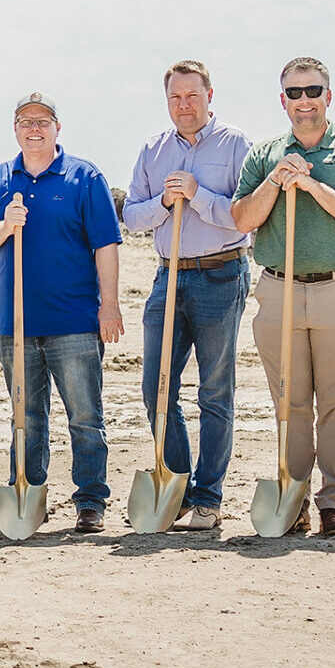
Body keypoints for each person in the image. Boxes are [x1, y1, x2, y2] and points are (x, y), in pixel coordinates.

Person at [233, 58, 335, 538]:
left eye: (312, 91)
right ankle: (292, 495)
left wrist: (312, 185)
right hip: (279, 288)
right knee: (289, 402)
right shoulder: (264, 154)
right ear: (283, 100)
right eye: (294, 93)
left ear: (328, 95)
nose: (304, 101)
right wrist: (276, 181)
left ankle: (332, 502)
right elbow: (242, 219)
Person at [0, 93, 124, 534]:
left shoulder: (84, 176)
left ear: (58, 127)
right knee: (26, 416)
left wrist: (108, 306)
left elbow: (106, 245)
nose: (33, 128)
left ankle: (90, 500)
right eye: (25, 121)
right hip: (16, 323)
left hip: (73, 322)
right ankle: (28, 492)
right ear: (14, 129)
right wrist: (5, 226)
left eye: (42, 121)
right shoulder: (1, 177)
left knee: (85, 417)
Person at [121, 61, 253, 532]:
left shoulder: (236, 145)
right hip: (168, 279)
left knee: (215, 391)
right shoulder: (153, 150)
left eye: (192, 96)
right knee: (156, 387)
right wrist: (161, 203)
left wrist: (196, 195)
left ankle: (208, 498)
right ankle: (176, 486)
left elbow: (246, 215)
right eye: (175, 97)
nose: (184, 105)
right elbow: (131, 217)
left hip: (221, 275)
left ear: (209, 95)